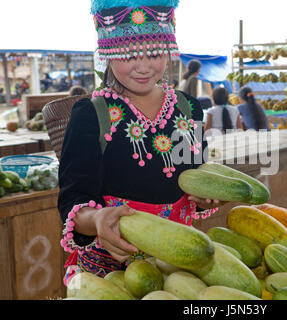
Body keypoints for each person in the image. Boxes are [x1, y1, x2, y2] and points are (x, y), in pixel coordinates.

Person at [58, 0, 226, 285]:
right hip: (111, 270)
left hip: (178, 267)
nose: (144, 66)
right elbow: (73, 202)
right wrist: (98, 220)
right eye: (129, 53)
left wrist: (204, 197)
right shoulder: (92, 116)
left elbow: (194, 176)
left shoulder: (188, 109)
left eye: (154, 53)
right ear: (108, 53)